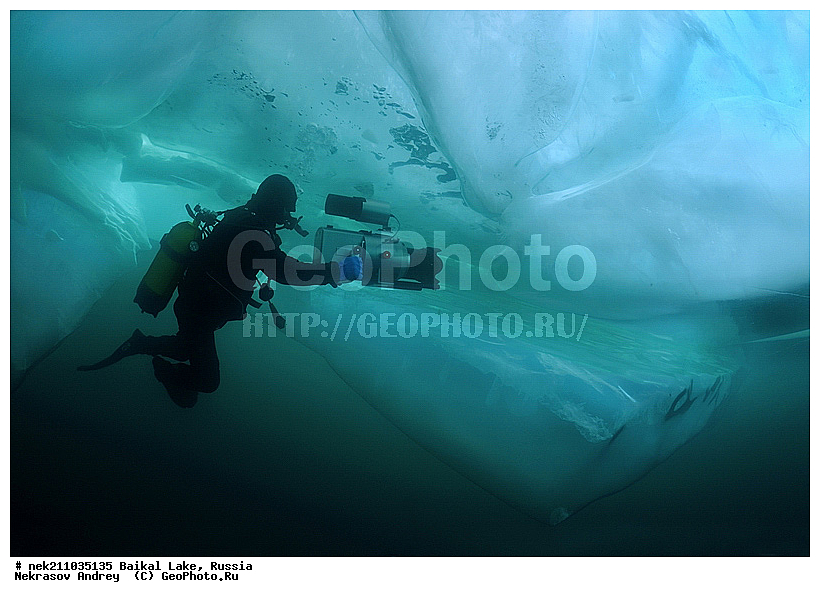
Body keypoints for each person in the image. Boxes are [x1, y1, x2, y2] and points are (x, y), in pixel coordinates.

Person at [78, 174, 363, 407]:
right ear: (276, 204)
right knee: (207, 381)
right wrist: (335, 271)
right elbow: (288, 272)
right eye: (287, 209)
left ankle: (142, 345)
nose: (288, 217)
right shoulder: (253, 234)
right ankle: (146, 352)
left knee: (184, 347)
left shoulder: (241, 217)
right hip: (199, 311)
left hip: (196, 305)